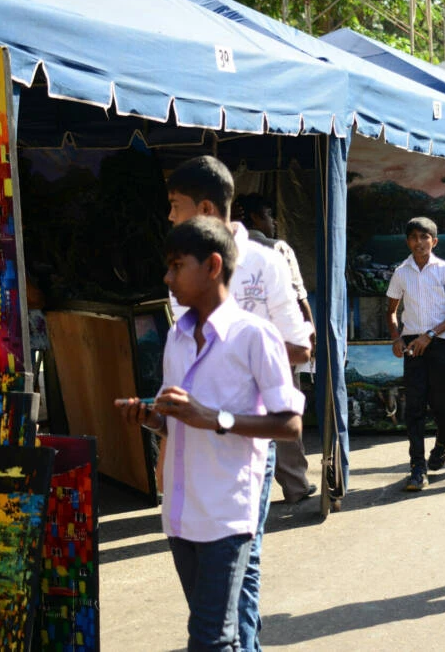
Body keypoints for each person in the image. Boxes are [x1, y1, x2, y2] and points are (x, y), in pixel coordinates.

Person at [115, 216, 304, 651]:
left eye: (177, 265)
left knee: (209, 639)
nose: (168, 277)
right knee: (222, 637)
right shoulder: (177, 338)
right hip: (181, 512)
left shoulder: (256, 336)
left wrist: (214, 418)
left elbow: (290, 425)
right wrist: (150, 417)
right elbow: (176, 419)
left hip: (226, 511)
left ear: (213, 266)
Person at [165, 155, 313, 652]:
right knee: (211, 591)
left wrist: (243, 354)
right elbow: (185, 347)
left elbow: (298, 346)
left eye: (176, 207)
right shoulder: (181, 268)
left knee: (240, 568)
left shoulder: (266, 261)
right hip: (191, 456)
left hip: (248, 437)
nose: (170, 217)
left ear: (205, 207)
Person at [236, 193, 316, 505]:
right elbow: (298, 297)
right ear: (256, 218)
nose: (274, 222)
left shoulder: (223, 249)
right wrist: (309, 336)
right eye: (270, 215)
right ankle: (295, 485)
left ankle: (246, 494)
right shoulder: (277, 248)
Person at [386, 217, 445, 491]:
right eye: (413, 237)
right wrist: (396, 338)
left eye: (424, 237)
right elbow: (392, 311)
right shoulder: (401, 272)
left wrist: (431, 335)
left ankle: (443, 440)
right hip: (411, 345)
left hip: (438, 341)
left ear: (434, 241)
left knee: (440, 403)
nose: (419, 242)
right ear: (407, 241)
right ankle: (417, 467)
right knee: (415, 406)